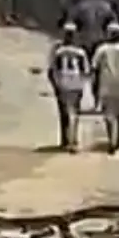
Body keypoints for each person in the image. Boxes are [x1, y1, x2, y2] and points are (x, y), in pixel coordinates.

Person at [93, 23, 119, 152]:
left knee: (108, 114)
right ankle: (118, 139)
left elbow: (94, 68)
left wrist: (94, 87)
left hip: (105, 84)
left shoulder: (101, 49)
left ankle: (112, 140)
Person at [47, 23, 90, 151]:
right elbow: (86, 71)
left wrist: (55, 84)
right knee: (75, 112)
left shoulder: (58, 51)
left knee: (64, 112)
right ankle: (73, 139)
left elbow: (52, 70)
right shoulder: (80, 52)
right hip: (76, 84)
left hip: (62, 84)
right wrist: (83, 83)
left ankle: (65, 140)